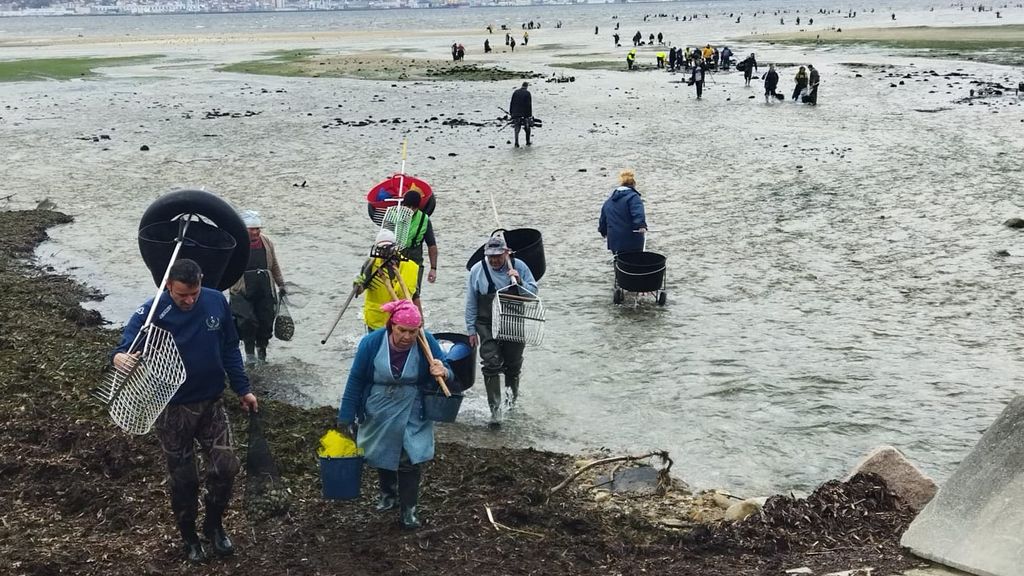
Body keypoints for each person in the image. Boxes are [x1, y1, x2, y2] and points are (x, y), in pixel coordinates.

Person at [113, 258, 257, 563]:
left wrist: (243, 388)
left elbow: (230, 347)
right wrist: (121, 358)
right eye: (182, 295)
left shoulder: (216, 301)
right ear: (168, 286)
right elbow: (124, 347)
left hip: (211, 402)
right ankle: (189, 536)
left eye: (194, 292)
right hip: (171, 408)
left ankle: (214, 525)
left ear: (201, 281)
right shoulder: (153, 311)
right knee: (184, 479)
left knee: (226, 467)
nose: (189, 300)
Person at [336, 300, 453, 530]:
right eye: (402, 331)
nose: (407, 337)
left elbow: (448, 370)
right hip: (378, 406)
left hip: (412, 406)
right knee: (382, 450)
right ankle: (387, 493)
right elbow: (356, 380)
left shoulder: (425, 342)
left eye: (412, 331)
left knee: (409, 457)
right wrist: (346, 417)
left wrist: (444, 371)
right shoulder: (371, 343)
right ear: (392, 326)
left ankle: (409, 509)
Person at [465, 235, 538, 427]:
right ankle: (495, 410)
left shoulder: (519, 266)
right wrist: (471, 329)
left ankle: (511, 404)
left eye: (498, 256)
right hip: (486, 323)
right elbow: (471, 302)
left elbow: (533, 294)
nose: (495, 260)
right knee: (490, 363)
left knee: (513, 365)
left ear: (506, 253)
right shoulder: (477, 270)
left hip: (513, 321)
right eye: (491, 256)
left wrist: (519, 282)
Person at [229, 210, 286, 367]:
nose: (255, 232)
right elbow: (224, 266)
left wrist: (281, 284)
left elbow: (274, 264)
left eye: (257, 228)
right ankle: (249, 354)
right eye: (251, 229)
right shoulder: (235, 243)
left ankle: (262, 352)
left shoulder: (267, 242)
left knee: (266, 320)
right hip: (241, 289)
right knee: (247, 320)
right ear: (243, 228)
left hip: (265, 287)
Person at [356, 229, 420, 331]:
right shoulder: (370, 264)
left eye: (388, 249)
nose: (385, 253)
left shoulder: (410, 267)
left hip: (402, 322)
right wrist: (357, 285)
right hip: (377, 321)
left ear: (395, 248)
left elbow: (415, 296)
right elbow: (360, 290)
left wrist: (420, 320)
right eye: (382, 249)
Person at [397, 191, 437, 306]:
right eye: (407, 206)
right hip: (395, 258)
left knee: (414, 292)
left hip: (414, 260)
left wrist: (433, 268)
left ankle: (416, 320)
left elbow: (432, 245)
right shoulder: (395, 215)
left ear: (417, 207)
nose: (409, 209)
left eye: (412, 207)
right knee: (394, 291)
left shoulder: (424, 220)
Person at [598, 169, 647, 255]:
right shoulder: (633, 197)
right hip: (632, 240)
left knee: (619, 260)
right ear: (633, 184)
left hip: (614, 241)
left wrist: (603, 232)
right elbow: (638, 214)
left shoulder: (609, 201)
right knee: (634, 261)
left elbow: (603, 221)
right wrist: (641, 226)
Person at [509, 81, 532, 147]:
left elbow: (512, 103)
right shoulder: (527, 93)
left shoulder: (515, 92)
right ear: (527, 86)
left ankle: (516, 142)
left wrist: (511, 113)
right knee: (527, 128)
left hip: (516, 113)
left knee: (517, 128)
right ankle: (527, 142)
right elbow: (529, 105)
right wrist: (529, 115)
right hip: (524, 114)